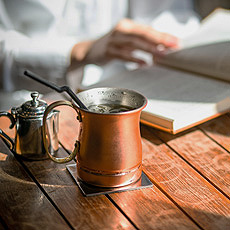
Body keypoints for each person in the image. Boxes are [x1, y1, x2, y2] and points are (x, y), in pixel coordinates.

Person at [0, 0, 199, 108]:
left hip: (126, 87)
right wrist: (78, 52)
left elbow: (170, 13)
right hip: (22, 107)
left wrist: (155, 40)